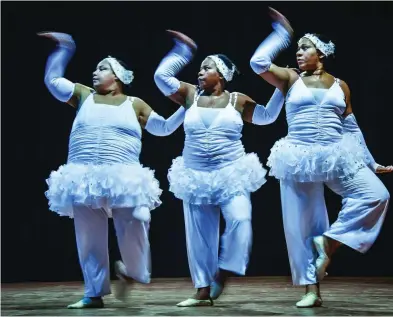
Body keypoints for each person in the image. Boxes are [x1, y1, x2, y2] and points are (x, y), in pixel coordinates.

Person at [249, 7, 393, 308]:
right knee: (303, 224)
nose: (299, 53)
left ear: (322, 53)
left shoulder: (341, 85)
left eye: (305, 47)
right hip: (298, 156)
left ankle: (328, 242)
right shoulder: (290, 79)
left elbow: (352, 127)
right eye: (298, 47)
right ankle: (311, 291)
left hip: (336, 154)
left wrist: (371, 162)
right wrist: (281, 35)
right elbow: (258, 62)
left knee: (376, 194)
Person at [39, 31, 186, 309]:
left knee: (139, 218)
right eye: (95, 68)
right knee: (88, 235)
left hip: (124, 176)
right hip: (82, 176)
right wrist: (64, 48)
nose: (95, 72)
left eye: (102, 68)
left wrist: (187, 108)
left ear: (117, 75)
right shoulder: (84, 95)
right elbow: (53, 81)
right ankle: (93, 293)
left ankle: (133, 271)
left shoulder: (135, 104)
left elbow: (164, 128)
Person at [153, 30, 286, 307]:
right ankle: (201, 291)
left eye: (206, 67)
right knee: (199, 235)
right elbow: (161, 78)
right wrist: (182, 52)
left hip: (231, 172)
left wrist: (281, 89)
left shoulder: (237, 100)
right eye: (200, 67)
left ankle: (225, 271)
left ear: (222, 74)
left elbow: (267, 117)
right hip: (195, 173)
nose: (200, 72)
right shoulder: (190, 95)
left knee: (241, 220)